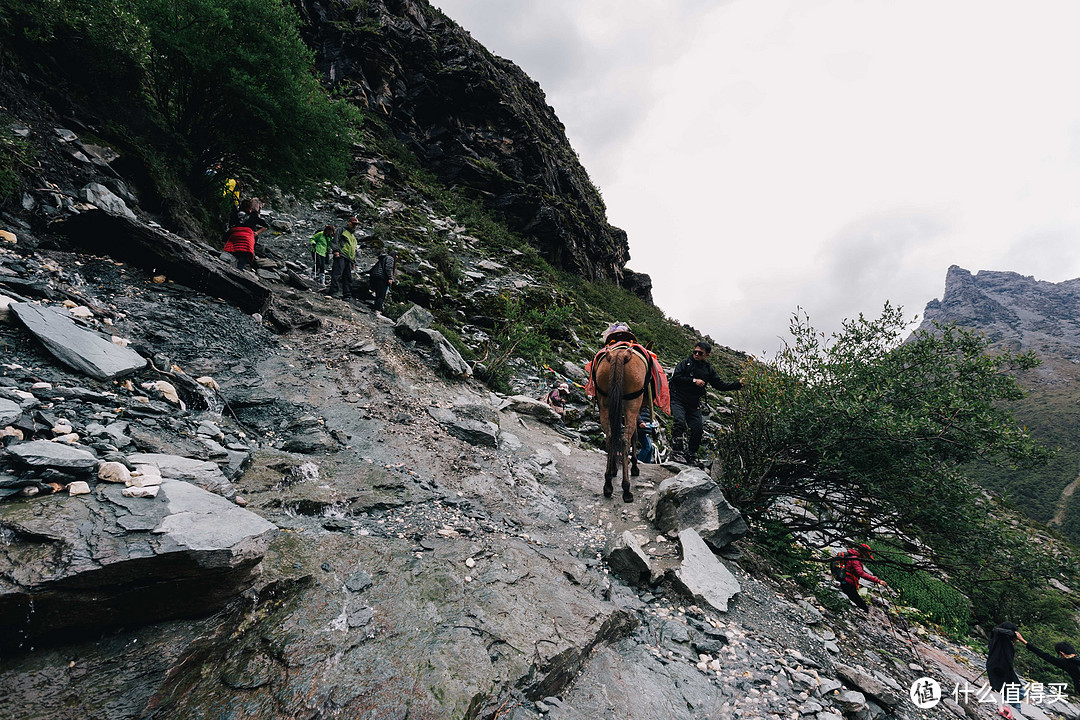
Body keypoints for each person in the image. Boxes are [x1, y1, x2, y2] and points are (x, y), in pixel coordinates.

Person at [668, 341, 742, 464]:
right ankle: (676, 452)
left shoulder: (708, 369)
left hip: (693, 402)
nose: (696, 354)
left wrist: (737, 384)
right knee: (679, 422)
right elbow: (676, 378)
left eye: (700, 353)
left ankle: (691, 454)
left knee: (698, 429)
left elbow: (720, 385)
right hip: (678, 399)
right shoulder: (684, 364)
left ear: (707, 354)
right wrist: (693, 381)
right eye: (695, 352)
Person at [987, 622, 1027, 714]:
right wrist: (1014, 634)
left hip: (1001, 669)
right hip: (1000, 670)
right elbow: (997, 630)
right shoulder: (999, 637)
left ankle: (1015, 713)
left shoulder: (1001, 640)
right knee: (1018, 693)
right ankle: (1008, 710)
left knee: (1015, 698)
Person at [836, 543, 887, 612]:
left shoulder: (854, 557)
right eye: (867, 555)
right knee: (861, 604)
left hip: (847, 582)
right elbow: (861, 573)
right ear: (863, 553)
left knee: (855, 600)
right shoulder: (855, 559)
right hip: (848, 583)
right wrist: (877, 581)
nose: (866, 557)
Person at [222, 198, 267, 271]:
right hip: (247, 237)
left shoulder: (235, 213)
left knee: (231, 251)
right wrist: (256, 233)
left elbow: (230, 225)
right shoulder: (253, 216)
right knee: (244, 254)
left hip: (235, 235)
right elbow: (265, 226)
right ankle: (239, 270)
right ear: (250, 208)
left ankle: (226, 267)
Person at [328, 216, 360, 298]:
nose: (355, 226)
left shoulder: (353, 237)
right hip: (341, 255)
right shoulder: (341, 230)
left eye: (356, 224)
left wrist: (353, 261)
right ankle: (333, 292)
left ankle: (347, 294)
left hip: (349, 259)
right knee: (337, 274)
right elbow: (334, 241)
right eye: (353, 224)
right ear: (348, 223)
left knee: (348, 277)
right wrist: (336, 251)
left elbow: (353, 250)